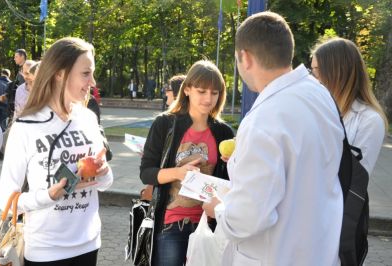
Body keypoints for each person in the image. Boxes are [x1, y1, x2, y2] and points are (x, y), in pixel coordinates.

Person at [202, 12, 344, 266]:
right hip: (319, 250)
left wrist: (219, 210)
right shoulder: (319, 95)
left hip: (276, 255)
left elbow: (248, 217)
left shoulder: (263, 118)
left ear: (245, 57)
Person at [0, 37, 113, 266]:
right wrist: (47, 196)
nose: (93, 82)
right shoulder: (26, 126)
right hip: (45, 251)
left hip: (89, 244)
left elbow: (106, 182)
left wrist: (104, 171)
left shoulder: (88, 118)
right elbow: (4, 199)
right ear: (60, 73)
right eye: (86, 73)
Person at [140, 59, 234, 265]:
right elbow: (146, 172)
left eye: (215, 92)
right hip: (172, 224)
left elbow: (231, 183)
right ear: (188, 89)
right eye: (202, 91)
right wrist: (179, 173)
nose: (208, 99)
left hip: (209, 224)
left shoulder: (224, 132)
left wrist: (233, 164)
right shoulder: (165, 124)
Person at [311, 37, 388, 175]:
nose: (314, 78)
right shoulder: (320, 109)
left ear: (338, 72)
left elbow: (353, 179)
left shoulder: (369, 120)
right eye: (312, 70)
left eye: (318, 70)